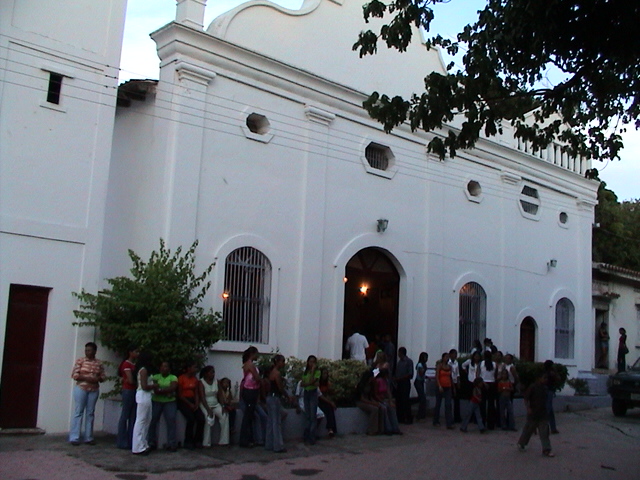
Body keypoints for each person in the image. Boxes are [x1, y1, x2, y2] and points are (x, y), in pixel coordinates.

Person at [69, 342, 106, 446]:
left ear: (95, 351)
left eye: (89, 350)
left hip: (93, 389)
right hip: (81, 388)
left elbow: (103, 376)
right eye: (86, 350)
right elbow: (74, 375)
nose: (87, 352)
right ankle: (74, 437)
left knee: (90, 413)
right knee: (78, 411)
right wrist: (87, 378)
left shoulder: (99, 363)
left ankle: (88, 437)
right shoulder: (80, 361)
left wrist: (98, 378)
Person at [517, 373, 555, 457]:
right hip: (533, 413)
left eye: (546, 378)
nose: (546, 380)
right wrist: (528, 408)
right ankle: (522, 443)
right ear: (539, 378)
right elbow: (526, 398)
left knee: (544, 432)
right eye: (544, 378)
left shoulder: (545, 388)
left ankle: (546, 449)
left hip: (543, 413)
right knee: (528, 430)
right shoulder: (533, 387)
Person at [148, 360, 178, 452]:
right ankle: (151, 442)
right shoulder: (155, 377)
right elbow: (156, 390)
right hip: (156, 401)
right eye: (162, 366)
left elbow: (173, 387)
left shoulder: (173, 377)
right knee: (153, 420)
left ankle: (171, 443)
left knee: (171, 421)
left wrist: (161, 390)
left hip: (170, 402)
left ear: (169, 369)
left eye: (166, 366)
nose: (164, 368)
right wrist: (167, 391)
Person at [265, 354, 292, 453]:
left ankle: (269, 444)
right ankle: (278, 446)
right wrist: (287, 396)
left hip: (270, 397)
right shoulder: (277, 373)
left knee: (270, 422)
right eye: (282, 361)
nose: (283, 363)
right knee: (276, 422)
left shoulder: (272, 372)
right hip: (274, 398)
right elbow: (280, 388)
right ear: (278, 362)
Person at [199, 365, 229, 447]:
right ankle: (206, 443)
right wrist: (208, 410)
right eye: (211, 372)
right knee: (208, 418)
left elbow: (220, 395)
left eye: (214, 372)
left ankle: (224, 441)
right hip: (205, 404)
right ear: (206, 373)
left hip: (215, 404)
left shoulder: (217, 381)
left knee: (224, 416)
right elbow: (202, 397)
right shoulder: (201, 382)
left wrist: (222, 406)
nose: (213, 374)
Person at [177, 361, 205, 449]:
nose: (195, 369)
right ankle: (188, 441)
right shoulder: (181, 378)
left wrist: (196, 403)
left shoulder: (195, 380)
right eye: (194, 367)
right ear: (189, 368)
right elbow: (180, 394)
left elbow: (196, 392)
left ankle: (198, 440)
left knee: (201, 418)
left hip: (193, 400)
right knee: (190, 419)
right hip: (184, 401)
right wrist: (189, 404)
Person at [131, 351, 154, 455]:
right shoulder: (143, 370)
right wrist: (155, 386)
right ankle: (138, 447)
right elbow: (145, 386)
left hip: (145, 395)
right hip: (143, 394)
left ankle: (143, 444)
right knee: (141, 420)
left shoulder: (142, 369)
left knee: (146, 420)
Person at [116, 345, 139, 449]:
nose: (138, 354)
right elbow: (130, 380)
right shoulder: (126, 364)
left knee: (133, 416)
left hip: (133, 390)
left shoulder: (134, 364)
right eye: (136, 351)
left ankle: (130, 440)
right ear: (130, 352)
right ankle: (122, 441)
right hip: (128, 390)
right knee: (125, 415)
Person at [239, 346, 261, 447]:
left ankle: (249, 438)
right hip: (250, 390)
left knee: (250, 415)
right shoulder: (250, 365)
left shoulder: (246, 364)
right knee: (248, 416)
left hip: (249, 390)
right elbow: (256, 377)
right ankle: (245, 440)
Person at [373, 368, 402, 435]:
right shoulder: (377, 381)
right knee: (385, 408)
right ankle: (388, 428)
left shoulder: (385, 381)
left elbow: (388, 392)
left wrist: (390, 400)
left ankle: (395, 428)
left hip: (384, 399)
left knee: (392, 408)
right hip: (379, 399)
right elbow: (375, 394)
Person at [301, 355, 321, 445]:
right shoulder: (305, 372)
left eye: (313, 362)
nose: (312, 364)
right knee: (308, 415)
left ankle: (311, 437)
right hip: (306, 393)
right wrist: (308, 383)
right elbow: (302, 383)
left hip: (312, 393)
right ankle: (306, 435)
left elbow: (314, 381)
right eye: (310, 362)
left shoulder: (317, 372)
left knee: (313, 416)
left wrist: (313, 372)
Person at [433, 352, 453, 429]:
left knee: (448, 404)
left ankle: (449, 422)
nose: (447, 358)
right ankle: (436, 420)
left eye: (448, 357)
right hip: (440, 386)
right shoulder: (439, 366)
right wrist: (439, 385)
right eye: (446, 357)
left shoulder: (449, 367)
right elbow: (437, 376)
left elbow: (450, 376)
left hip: (448, 386)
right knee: (438, 404)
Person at [394, 347, 414, 424]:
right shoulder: (399, 362)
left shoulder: (408, 362)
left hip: (405, 383)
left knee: (405, 400)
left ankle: (408, 418)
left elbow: (410, 374)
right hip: (399, 383)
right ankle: (400, 418)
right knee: (399, 400)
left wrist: (400, 378)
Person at [480, 350, 498, 429]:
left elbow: (478, 374)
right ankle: (491, 424)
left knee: (482, 404)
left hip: (483, 384)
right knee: (491, 404)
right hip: (492, 384)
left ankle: (482, 422)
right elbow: (495, 375)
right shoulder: (494, 364)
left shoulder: (481, 363)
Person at [318, 367, 338, 438]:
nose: (325, 375)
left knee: (330, 409)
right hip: (318, 401)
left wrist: (331, 401)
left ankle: (331, 429)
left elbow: (329, 394)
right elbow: (320, 395)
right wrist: (330, 402)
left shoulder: (327, 383)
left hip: (325, 400)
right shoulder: (317, 383)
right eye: (324, 373)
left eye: (326, 373)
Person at [218, 378, 236, 442]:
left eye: (227, 383)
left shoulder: (229, 392)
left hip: (227, 405)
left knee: (233, 411)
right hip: (221, 405)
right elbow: (221, 400)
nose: (226, 384)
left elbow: (230, 400)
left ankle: (232, 427)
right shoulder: (220, 391)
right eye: (224, 383)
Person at [544, 360, 559, 434]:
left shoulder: (546, 373)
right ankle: (546, 427)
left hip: (548, 390)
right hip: (549, 390)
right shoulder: (550, 373)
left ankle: (552, 428)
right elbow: (557, 379)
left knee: (549, 410)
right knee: (548, 409)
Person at [414, 352, 428, 420]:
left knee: (422, 398)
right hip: (418, 382)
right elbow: (421, 373)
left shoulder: (423, 364)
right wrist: (425, 369)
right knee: (422, 399)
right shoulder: (420, 365)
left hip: (421, 382)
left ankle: (422, 414)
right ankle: (420, 415)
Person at [449, 349, 461, 423]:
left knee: (457, 400)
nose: (455, 355)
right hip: (450, 382)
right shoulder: (448, 363)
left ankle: (457, 417)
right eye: (454, 354)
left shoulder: (456, 362)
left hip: (456, 381)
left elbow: (457, 373)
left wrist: (458, 382)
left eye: (456, 354)